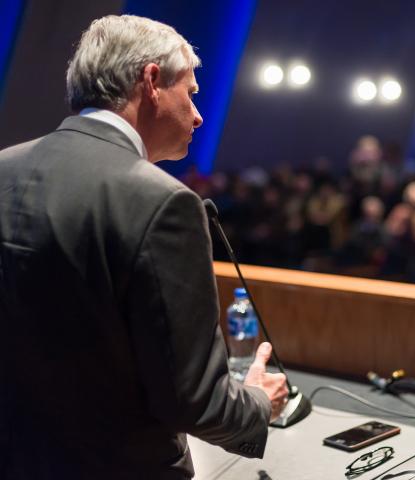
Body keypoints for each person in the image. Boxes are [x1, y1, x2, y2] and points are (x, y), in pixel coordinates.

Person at [0, 15, 288, 479]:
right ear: (151, 81)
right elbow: (196, 400)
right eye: (191, 93)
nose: (197, 115)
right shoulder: (162, 201)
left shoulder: (4, 167)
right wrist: (257, 401)